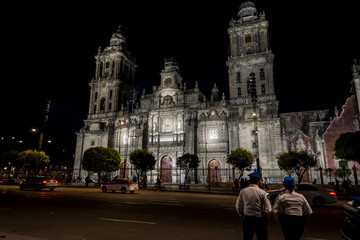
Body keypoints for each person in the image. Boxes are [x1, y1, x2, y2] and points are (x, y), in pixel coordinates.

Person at [235, 172, 272, 240]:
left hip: (248, 219)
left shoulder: (243, 191)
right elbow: (269, 209)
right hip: (260, 220)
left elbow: (238, 206)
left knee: (247, 237)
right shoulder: (263, 193)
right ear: (259, 181)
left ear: (250, 180)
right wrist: (265, 216)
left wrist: (242, 214)